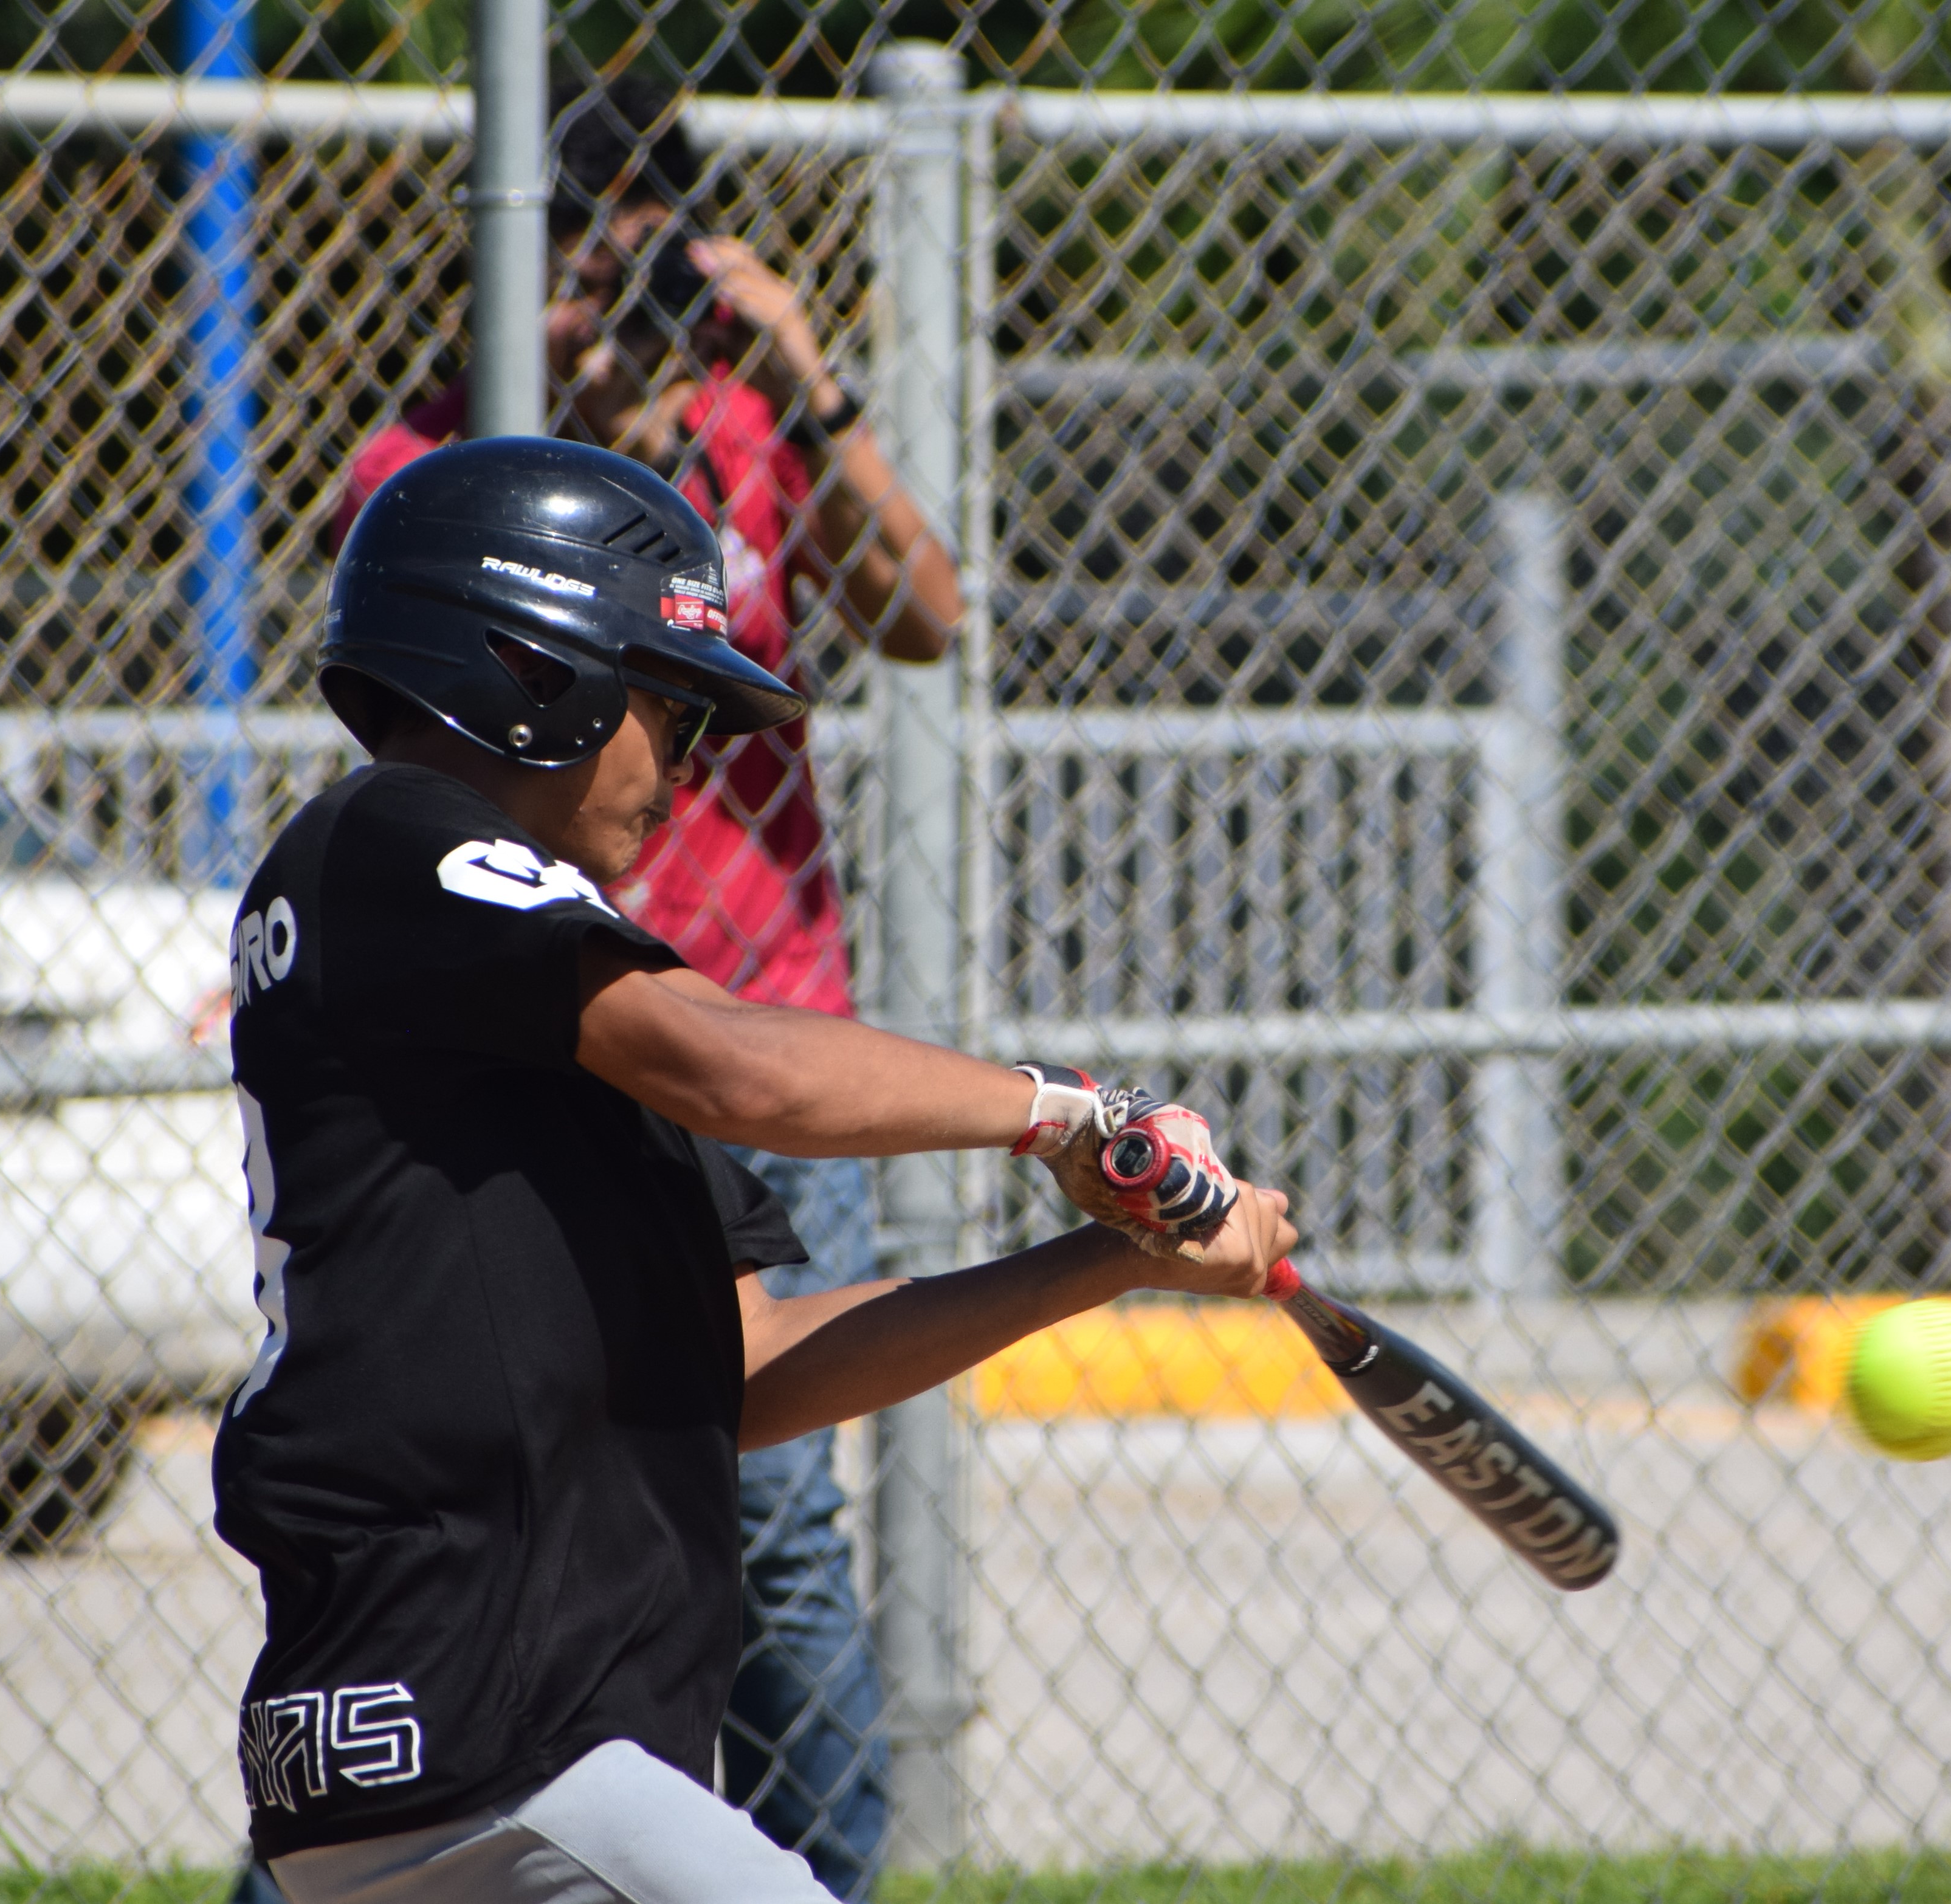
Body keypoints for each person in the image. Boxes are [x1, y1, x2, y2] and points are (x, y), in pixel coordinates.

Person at [219, 433, 1294, 1904]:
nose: (694, 767)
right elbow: (752, 1070)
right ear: (533, 671)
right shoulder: (390, 842)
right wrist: (1070, 1112)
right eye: (671, 710)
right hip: (493, 1728)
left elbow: (752, 1366)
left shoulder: (561, 1014)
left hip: (521, 1753)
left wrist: (1116, 1254)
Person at [326, 79, 955, 1897]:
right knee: (446, 1477)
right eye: (570, 255)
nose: (609, 303)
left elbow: (924, 612)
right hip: (523, 1027)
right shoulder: (446, 464)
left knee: (767, 1511)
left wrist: (806, 377)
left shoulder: (747, 435)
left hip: (746, 995)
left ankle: (825, 1870)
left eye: (635, 256)